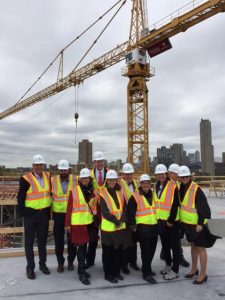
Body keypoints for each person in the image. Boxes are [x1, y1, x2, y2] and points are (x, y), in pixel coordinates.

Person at [178, 165, 220, 284]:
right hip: (187, 224)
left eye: (186, 176)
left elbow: (205, 209)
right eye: (182, 177)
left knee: (201, 248)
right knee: (193, 246)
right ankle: (194, 269)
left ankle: (203, 274)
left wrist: (200, 223)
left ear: (190, 177)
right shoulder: (181, 187)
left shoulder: (195, 189)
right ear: (180, 178)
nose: (184, 178)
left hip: (197, 224)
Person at [17, 154, 52, 280]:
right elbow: (20, 199)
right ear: (33, 166)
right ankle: (30, 268)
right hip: (31, 216)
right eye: (36, 165)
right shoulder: (25, 179)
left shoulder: (48, 176)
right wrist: (25, 214)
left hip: (43, 215)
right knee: (29, 243)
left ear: (43, 166)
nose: (38, 167)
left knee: (42, 242)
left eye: (40, 165)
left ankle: (43, 265)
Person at [99, 169, 131, 283]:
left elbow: (125, 207)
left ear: (116, 180)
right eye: (110, 180)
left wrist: (122, 219)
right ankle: (108, 274)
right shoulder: (102, 194)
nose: (112, 182)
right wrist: (117, 221)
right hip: (108, 229)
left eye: (114, 180)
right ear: (107, 181)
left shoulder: (120, 192)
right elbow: (105, 212)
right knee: (108, 253)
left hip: (119, 228)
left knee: (118, 252)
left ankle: (116, 272)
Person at [65, 168, 95, 285]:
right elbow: (69, 208)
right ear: (80, 179)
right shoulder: (74, 191)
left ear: (89, 179)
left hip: (88, 223)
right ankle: (82, 273)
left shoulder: (91, 191)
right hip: (78, 224)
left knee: (85, 247)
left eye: (87, 178)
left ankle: (80, 269)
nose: (85, 180)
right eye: (83, 178)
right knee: (81, 248)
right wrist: (67, 224)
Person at [128, 174, 158, 284]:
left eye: (147, 183)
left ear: (150, 184)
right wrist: (133, 226)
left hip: (154, 226)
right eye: (143, 183)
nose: (146, 185)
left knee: (152, 250)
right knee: (146, 251)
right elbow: (131, 213)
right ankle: (147, 273)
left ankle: (147, 267)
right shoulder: (135, 196)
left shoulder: (154, 194)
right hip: (142, 228)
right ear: (140, 184)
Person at [153, 164, 180, 280]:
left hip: (171, 222)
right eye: (158, 174)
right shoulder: (156, 186)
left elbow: (175, 205)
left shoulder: (172, 186)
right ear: (156, 176)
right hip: (160, 221)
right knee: (165, 245)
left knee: (175, 246)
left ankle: (175, 270)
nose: (160, 176)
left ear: (166, 174)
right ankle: (168, 264)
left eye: (162, 174)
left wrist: (170, 220)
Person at [51, 159, 77, 273]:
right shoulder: (53, 180)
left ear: (69, 170)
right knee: (58, 240)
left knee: (72, 240)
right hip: (58, 214)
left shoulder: (75, 180)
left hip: (72, 213)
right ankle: (60, 263)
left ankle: (70, 261)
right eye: (61, 170)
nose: (63, 172)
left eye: (65, 170)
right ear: (58, 171)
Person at [86, 150, 108, 269]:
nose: (99, 163)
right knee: (93, 237)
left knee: (106, 237)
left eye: (101, 161)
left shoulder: (110, 173)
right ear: (94, 163)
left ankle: (107, 261)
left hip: (106, 209)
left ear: (103, 162)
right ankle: (90, 261)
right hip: (93, 210)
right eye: (97, 161)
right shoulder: (88, 175)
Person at [167, 163, 190, 268]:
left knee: (175, 240)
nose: (178, 175)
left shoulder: (177, 184)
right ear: (170, 173)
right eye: (176, 174)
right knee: (175, 241)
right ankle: (179, 258)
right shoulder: (170, 185)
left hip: (178, 217)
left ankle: (167, 254)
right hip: (171, 218)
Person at [120, 162, 140, 274]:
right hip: (125, 216)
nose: (128, 176)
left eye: (130, 174)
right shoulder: (119, 185)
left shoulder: (136, 184)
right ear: (123, 174)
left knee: (134, 241)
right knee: (125, 242)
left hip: (134, 216)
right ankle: (124, 264)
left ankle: (133, 262)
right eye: (126, 174)